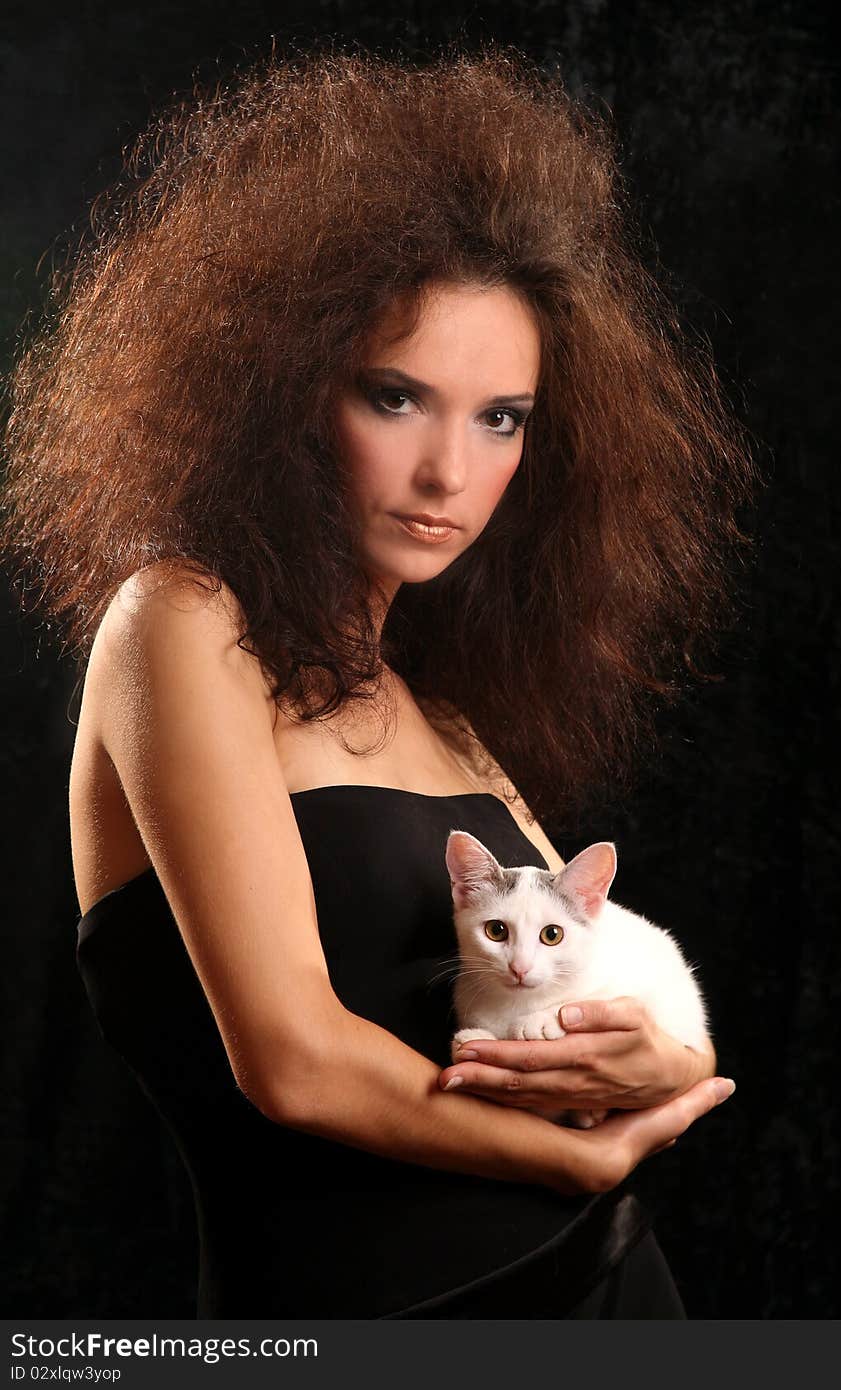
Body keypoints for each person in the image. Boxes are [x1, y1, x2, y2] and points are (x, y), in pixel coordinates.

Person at [0, 46, 753, 1318]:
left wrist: (672, 1061)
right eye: (397, 396)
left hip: (618, 1299)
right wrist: (591, 1147)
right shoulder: (180, 623)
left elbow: (616, 1009)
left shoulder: (444, 716)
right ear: (289, 386)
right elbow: (291, 1062)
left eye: (500, 416)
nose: (449, 472)